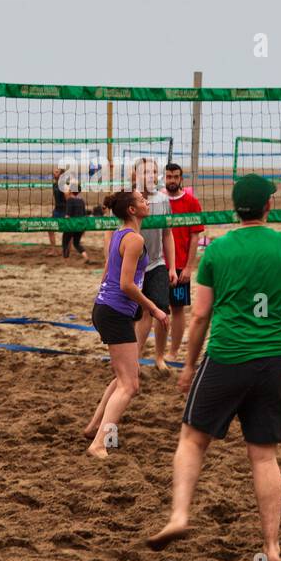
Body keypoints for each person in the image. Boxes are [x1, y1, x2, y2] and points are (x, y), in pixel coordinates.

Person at [147, 174, 281, 560]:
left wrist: (189, 365)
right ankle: (272, 546)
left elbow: (199, 317)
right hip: (274, 362)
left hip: (227, 357)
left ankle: (180, 515)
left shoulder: (218, 249)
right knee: (264, 455)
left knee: (192, 439)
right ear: (268, 207)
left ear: (235, 208)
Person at [84, 189, 169, 458]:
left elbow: (109, 272)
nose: (147, 202)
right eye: (142, 200)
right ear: (132, 210)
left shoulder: (120, 234)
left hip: (108, 309)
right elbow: (125, 284)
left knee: (123, 377)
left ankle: (94, 426)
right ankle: (99, 443)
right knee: (130, 385)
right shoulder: (133, 239)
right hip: (114, 311)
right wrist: (154, 308)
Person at [132, 157, 176, 371]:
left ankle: (159, 358)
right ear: (136, 176)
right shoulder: (128, 201)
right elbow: (111, 234)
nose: (150, 175)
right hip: (133, 265)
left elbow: (168, 234)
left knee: (162, 312)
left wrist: (172, 267)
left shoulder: (162, 200)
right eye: (145, 172)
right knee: (142, 313)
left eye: (153, 172)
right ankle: (136, 359)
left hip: (157, 263)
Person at [164, 162, 205, 359]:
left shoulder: (191, 202)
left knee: (177, 309)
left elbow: (195, 237)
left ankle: (172, 352)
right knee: (156, 309)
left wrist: (189, 267)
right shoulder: (158, 201)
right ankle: (158, 352)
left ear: (181, 178)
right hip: (157, 264)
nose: (172, 180)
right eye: (168, 177)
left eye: (175, 177)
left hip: (180, 265)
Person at [62, 182, 91, 263]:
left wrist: (64, 224)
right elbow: (84, 214)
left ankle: (66, 260)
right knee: (76, 243)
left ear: (71, 190)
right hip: (80, 225)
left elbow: (67, 215)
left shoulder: (70, 200)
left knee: (65, 242)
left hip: (71, 225)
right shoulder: (81, 201)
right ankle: (85, 256)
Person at [48, 167, 67, 255]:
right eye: (54, 171)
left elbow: (68, 199)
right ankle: (53, 250)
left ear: (61, 175)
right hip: (57, 210)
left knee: (67, 231)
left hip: (64, 211)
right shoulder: (54, 185)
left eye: (56, 172)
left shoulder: (63, 185)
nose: (54, 173)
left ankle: (66, 250)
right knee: (50, 229)